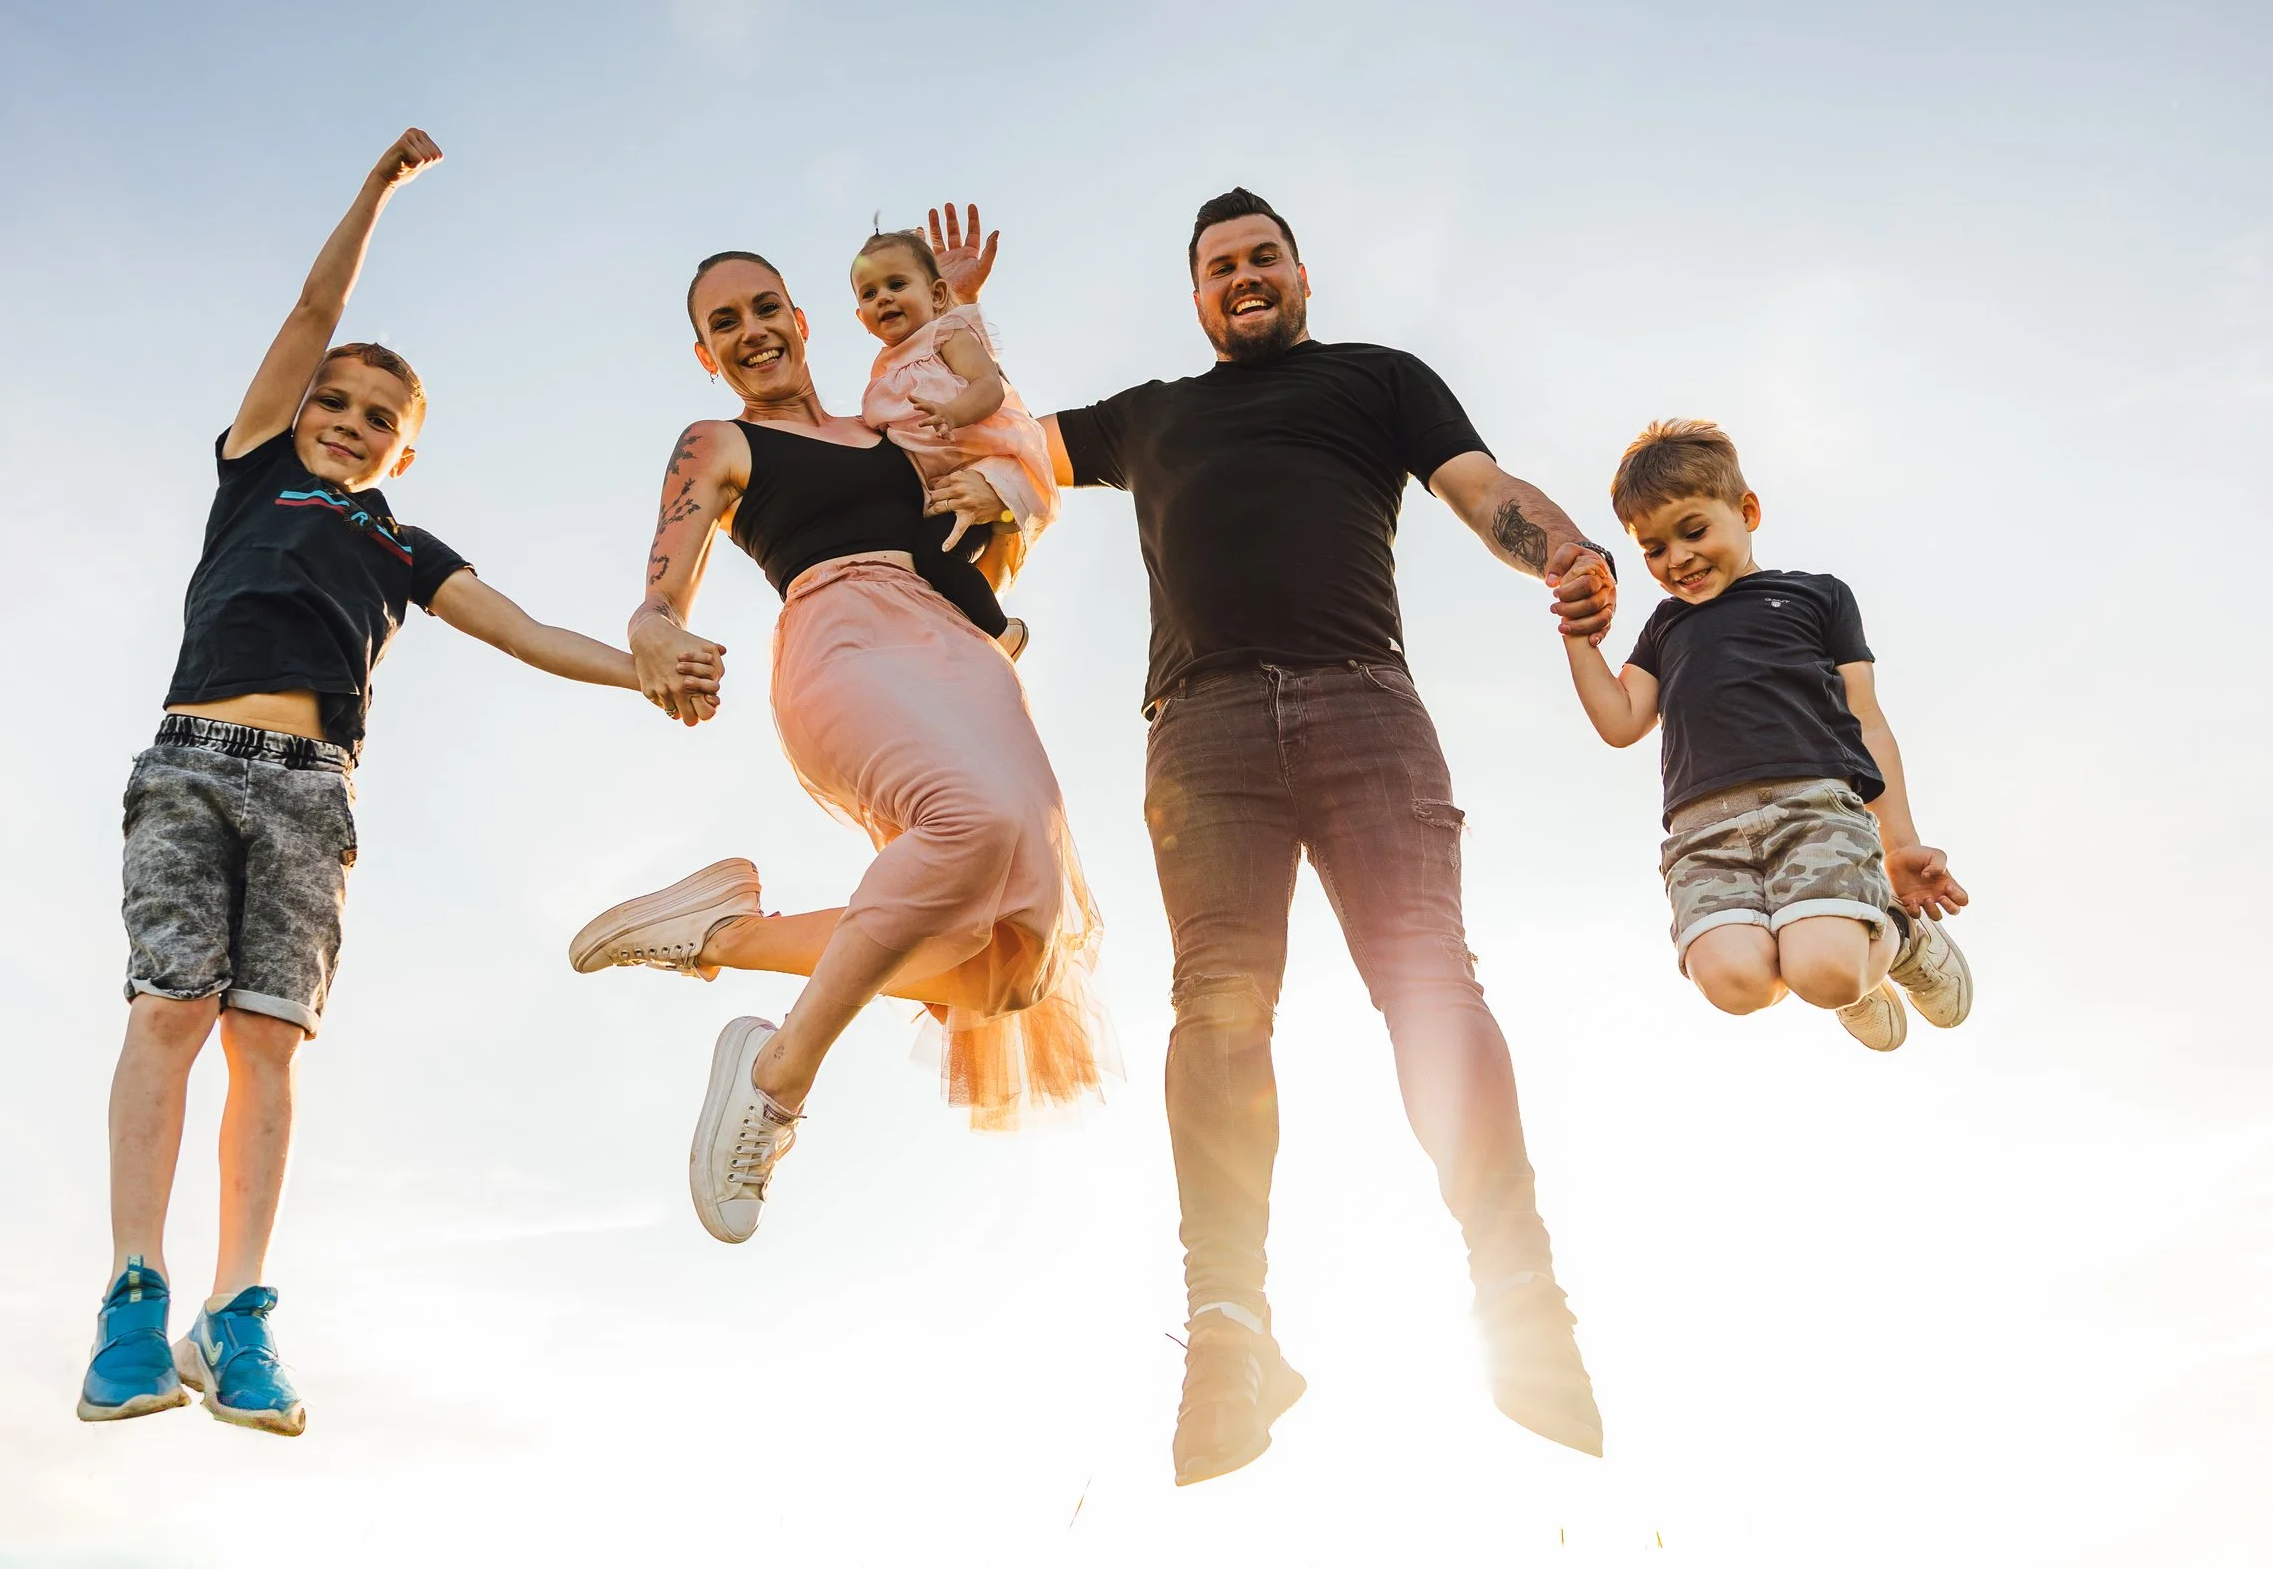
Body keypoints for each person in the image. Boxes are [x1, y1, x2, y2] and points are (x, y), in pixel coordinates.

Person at [927, 191, 1619, 1479]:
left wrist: (1562, 550)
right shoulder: (1152, 416)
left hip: (1364, 703)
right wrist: (957, 314)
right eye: (1217, 266)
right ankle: (1230, 1330)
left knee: (1428, 984)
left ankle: (1517, 1285)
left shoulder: (1377, 381)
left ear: (1300, 274)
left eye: (1261, 258)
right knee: (1218, 1010)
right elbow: (993, 430)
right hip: (1204, 733)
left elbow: (1481, 489)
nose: (1241, 276)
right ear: (1195, 294)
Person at [80, 131, 652, 1437]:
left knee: (269, 1041)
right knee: (173, 1010)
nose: (347, 420)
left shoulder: (398, 541)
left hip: (312, 790)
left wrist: (642, 675)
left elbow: (522, 628)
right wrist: (380, 191)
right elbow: (312, 310)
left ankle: (239, 1312)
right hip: (192, 763)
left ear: (405, 447)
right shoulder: (256, 471)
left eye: (377, 416)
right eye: (334, 400)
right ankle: (131, 1294)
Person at [567, 245, 1105, 1251]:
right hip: (840, 637)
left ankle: (721, 933)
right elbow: (664, 578)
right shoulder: (717, 440)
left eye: (765, 307)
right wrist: (654, 624)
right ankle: (777, 1078)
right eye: (725, 323)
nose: (751, 330)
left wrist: (961, 325)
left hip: (963, 657)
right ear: (706, 354)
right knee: (973, 821)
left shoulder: (895, 427)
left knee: (1010, 961)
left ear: (803, 319)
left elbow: (1009, 443)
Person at [1560, 418, 1972, 1051]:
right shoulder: (1664, 629)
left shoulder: (1817, 597)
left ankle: (1894, 941)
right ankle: (1849, 959)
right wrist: (1579, 637)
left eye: (1693, 531)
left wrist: (1901, 846)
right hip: (1705, 832)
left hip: (1812, 811)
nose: (1678, 559)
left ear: (1746, 510)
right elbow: (1620, 722)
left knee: (1824, 971)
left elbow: (1865, 719)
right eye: (1654, 549)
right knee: (1733, 984)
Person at [850, 226, 1058, 658]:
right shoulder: (879, 380)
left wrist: (953, 412)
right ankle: (946, 640)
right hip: (935, 493)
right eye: (869, 294)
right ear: (860, 317)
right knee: (910, 563)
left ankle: (1001, 633)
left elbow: (989, 386)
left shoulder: (948, 336)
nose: (883, 298)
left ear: (938, 295)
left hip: (982, 475)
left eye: (897, 284)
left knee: (936, 556)